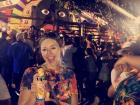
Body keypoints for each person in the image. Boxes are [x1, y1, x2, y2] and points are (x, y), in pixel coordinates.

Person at [18, 37, 78, 105]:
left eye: (53, 48)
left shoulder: (69, 74)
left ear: (60, 49)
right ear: (41, 52)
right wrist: (34, 93)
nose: (49, 53)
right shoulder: (31, 72)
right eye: (44, 49)